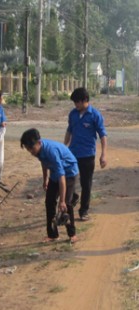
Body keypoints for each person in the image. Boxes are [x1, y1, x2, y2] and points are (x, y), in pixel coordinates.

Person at [20, 128, 79, 243]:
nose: (31, 151)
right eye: (28, 149)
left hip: (69, 172)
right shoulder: (38, 151)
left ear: (39, 142)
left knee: (66, 204)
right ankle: (52, 235)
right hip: (55, 173)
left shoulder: (51, 151)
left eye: (31, 148)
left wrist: (61, 200)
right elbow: (44, 162)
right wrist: (45, 179)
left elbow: (62, 177)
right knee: (49, 202)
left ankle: (72, 234)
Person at [64, 87, 107, 221]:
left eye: (77, 102)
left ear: (85, 101)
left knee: (86, 184)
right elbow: (69, 131)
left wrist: (103, 154)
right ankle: (74, 196)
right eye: (74, 103)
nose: (75, 105)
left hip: (88, 155)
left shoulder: (95, 115)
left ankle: (84, 211)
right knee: (67, 180)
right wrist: (64, 148)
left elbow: (102, 135)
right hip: (72, 154)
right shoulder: (73, 114)